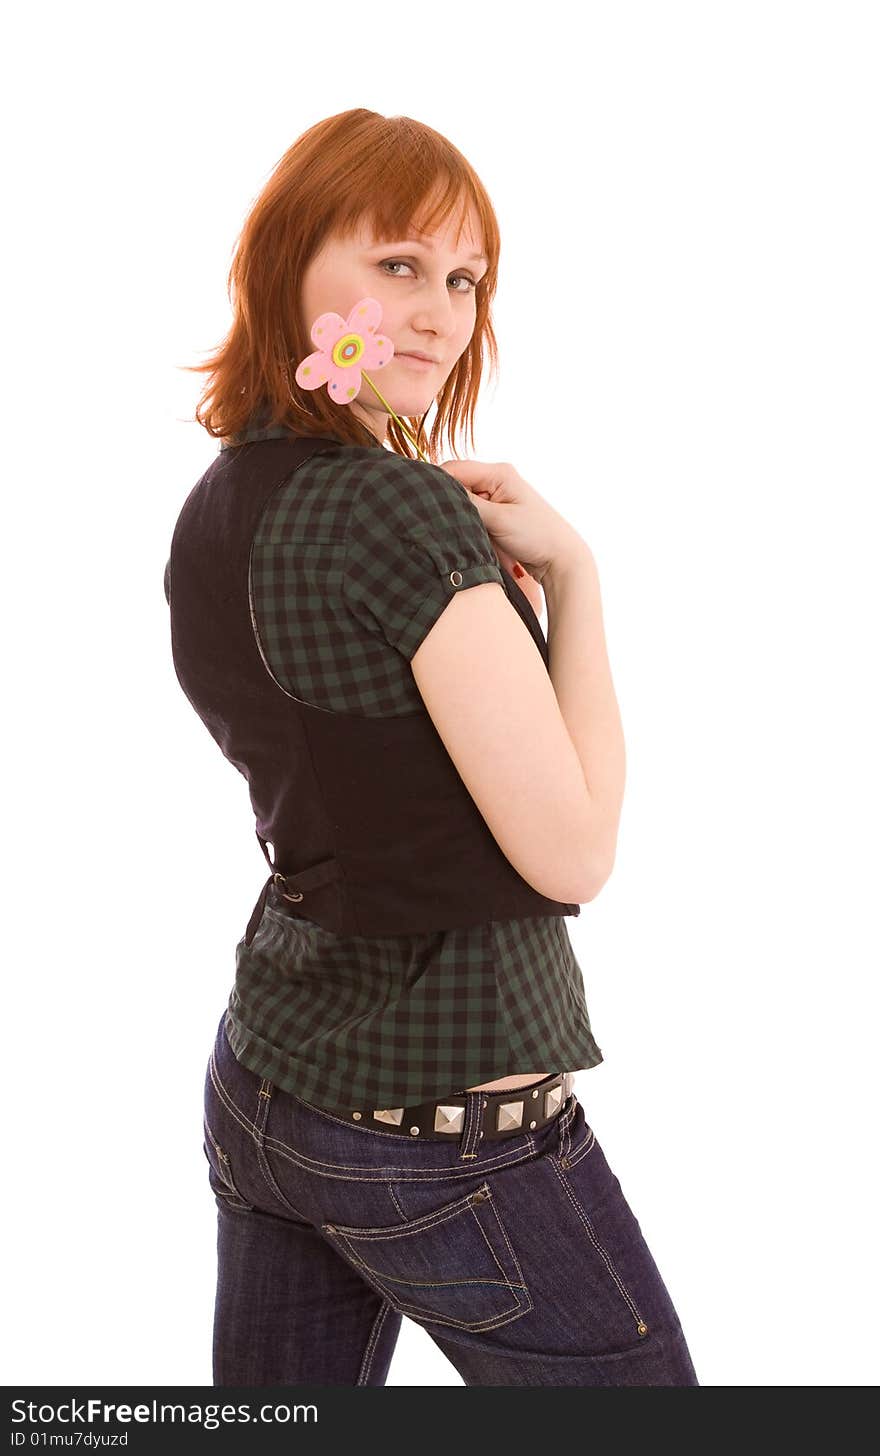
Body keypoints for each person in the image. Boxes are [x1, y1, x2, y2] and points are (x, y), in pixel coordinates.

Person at [164, 108, 699, 1386]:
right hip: (447, 1136)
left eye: (464, 280)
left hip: (269, 1087)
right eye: (398, 265)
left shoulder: (223, 499)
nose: (442, 313)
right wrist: (578, 577)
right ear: (288, 262)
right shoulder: (398, 512)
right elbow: (573, 852)